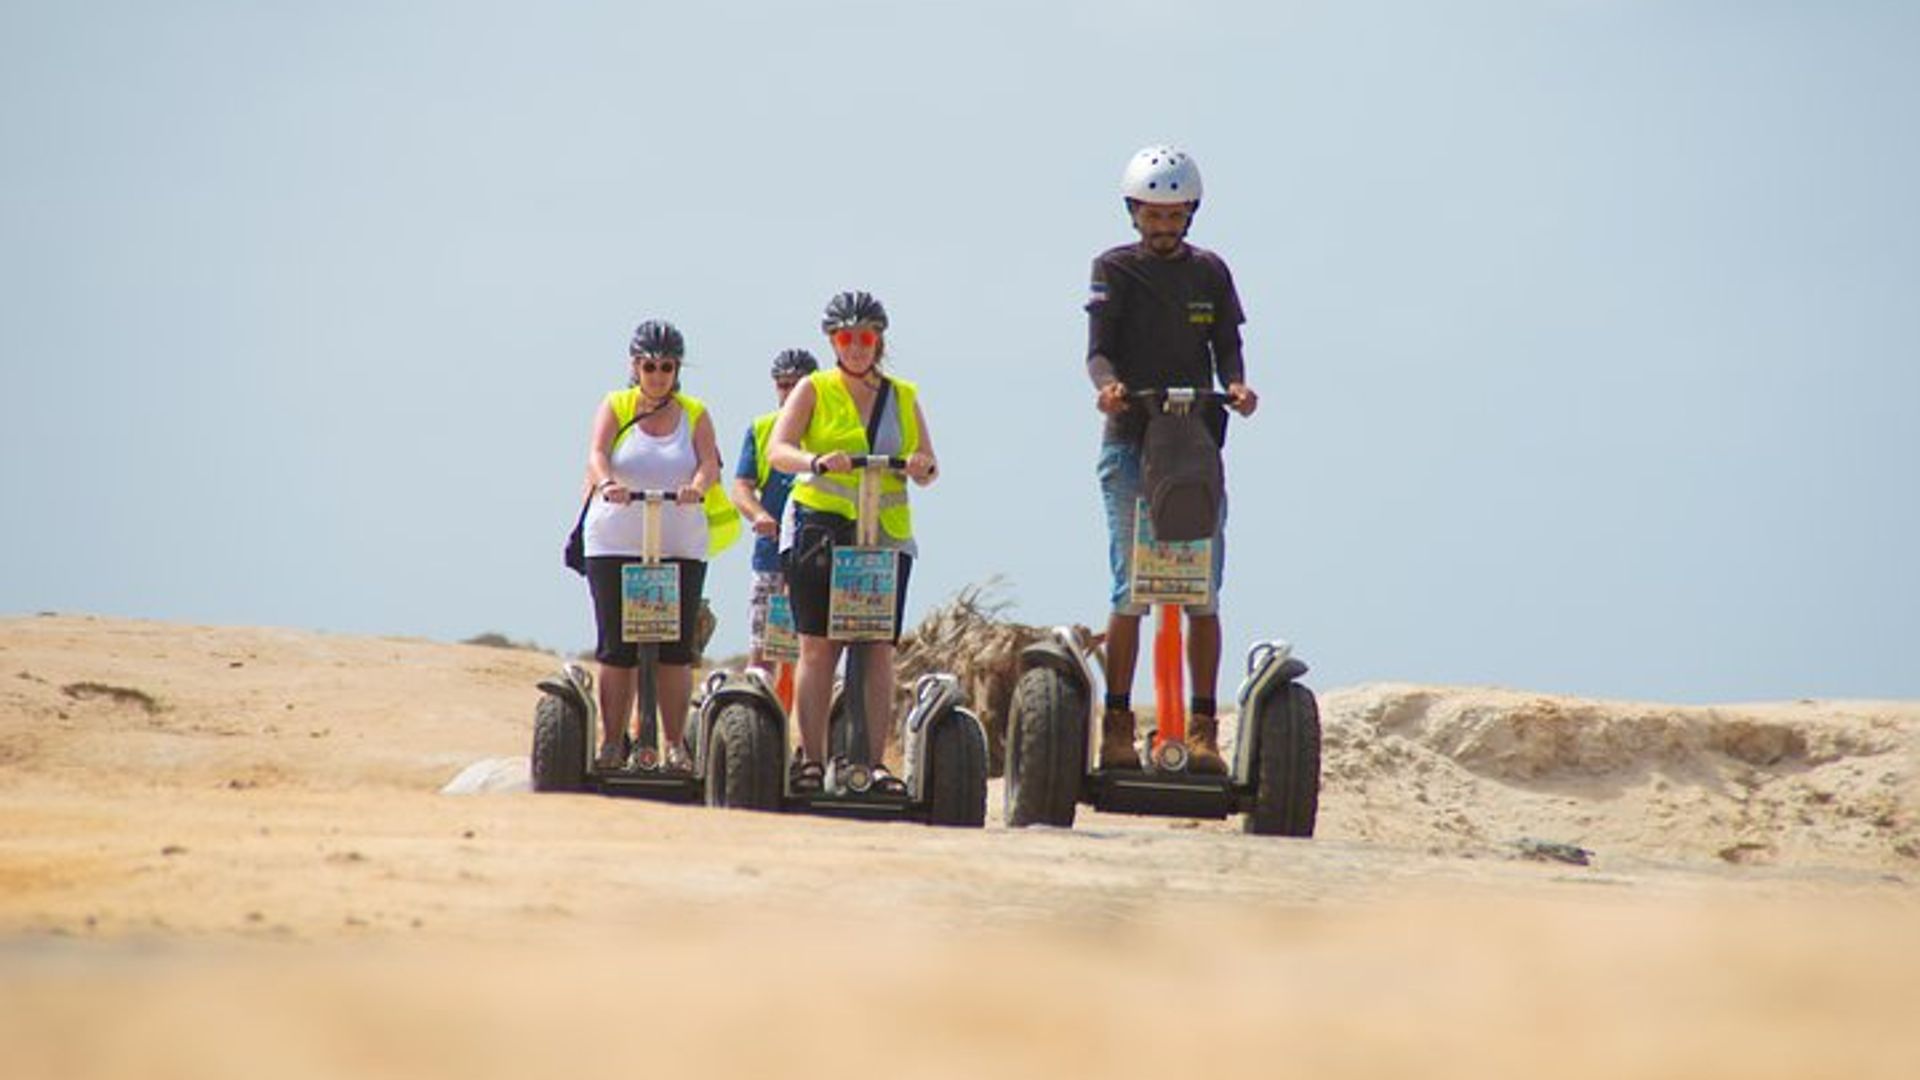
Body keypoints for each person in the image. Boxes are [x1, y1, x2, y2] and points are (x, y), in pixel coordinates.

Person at [1084, 146, 1259, 774]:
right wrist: (1107, 387)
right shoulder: (1113, 268)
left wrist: (1236, 385)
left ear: (1191, 213)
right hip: (1131, 442)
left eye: (1174, 215)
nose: (1163, 226)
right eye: (1153, 215)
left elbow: (1227, 344)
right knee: (1131, 588)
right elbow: (1098, 351)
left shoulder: (1210, 272)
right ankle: (1117, 728)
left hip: (1194, 448)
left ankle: (1204, 731)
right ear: (1134, 212)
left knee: (1200, 590)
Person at [765, 291, 940, 794]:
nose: (857, 346)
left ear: (879, 339)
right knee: (818, 646)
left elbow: (929, 465)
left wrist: (921, 466)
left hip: (884, 536)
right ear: (833, 342)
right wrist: (816, 462)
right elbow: (779, 450)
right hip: (821, 529)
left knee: (878, 646)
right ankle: (812, 759)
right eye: (846, 338)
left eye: (866, 337)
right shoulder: (814, 388)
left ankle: (872, 762)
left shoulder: (902, 395)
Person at [580, 319, 741, 772]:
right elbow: (597, 454)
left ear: (677, 369)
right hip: (615, 539)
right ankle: (613, 743)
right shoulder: (616, 405)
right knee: (617, 647)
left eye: (666, 367)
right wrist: (607, 483)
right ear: (635, 366)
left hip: (679, 541)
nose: (657, 375)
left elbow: (709, 462)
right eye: (649, 366)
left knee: (675, 648)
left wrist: (697, 486)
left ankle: (674, 745)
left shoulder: (695, 413)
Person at [728, 347, 819, 671]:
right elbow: (741, 486)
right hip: (771, 552)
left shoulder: (828, 428)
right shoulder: (762, 429)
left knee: (812, 646)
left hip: (817, 550)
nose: (790, 392)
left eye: (798, 385)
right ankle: (758, 699)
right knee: (763, 644)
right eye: (783, 385)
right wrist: (759, 515)